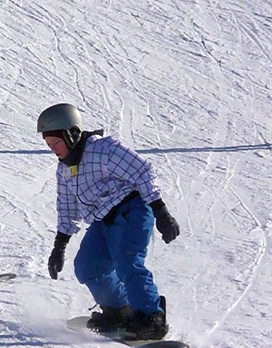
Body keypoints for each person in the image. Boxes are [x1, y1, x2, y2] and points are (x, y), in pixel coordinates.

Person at [37, 103, 181, 340]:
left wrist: (161, 211)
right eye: (48, 144)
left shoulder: (104, 149)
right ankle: (119, 310)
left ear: (72, 134)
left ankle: (152, 317)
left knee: (127, 262)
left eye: (56, 143)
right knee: (87, 266)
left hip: (131, 210)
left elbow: (142, 171)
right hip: (102, 220)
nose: (53, 149)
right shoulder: (64, 169)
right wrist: (59, 246)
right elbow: (67, 207)